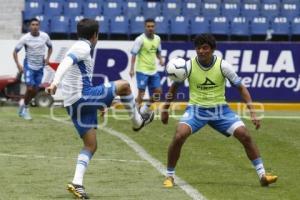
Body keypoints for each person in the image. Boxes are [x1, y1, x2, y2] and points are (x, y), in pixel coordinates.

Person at [45, 18, 154, 199]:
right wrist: (54, 82)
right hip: (83, 96)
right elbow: (66, 63)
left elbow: (80, 77)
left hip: (72, 103)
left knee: (91, 145)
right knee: (125, 85)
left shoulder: (79, 47)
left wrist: (101, 102)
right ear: (95, 35)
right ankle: (137, 121)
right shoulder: (83, 47)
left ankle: (77, 183)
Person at [161, 34, 278, 188]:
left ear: (212, 49)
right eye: (198, 48)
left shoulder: (223, 66)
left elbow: (241, 88)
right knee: (178, 136)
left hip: (220, 110)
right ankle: (169, 176)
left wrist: (253, 112)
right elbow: (174, 87)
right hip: (196, 110)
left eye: (205, 48)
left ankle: (263, 175)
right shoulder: (187, 66)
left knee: (245, 135)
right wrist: (165, 108)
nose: (201, 51)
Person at [13, 17, 53, 120]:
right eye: (33, 25)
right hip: (29, 66)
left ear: (39, 26)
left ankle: (22, 106)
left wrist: (48, 58)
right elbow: (15, 52)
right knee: (30, 88)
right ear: (30, 26)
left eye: (36, 25)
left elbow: (50, 47)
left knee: (35, 91)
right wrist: (18, 65)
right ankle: (26, 109)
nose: (35, 27)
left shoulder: (45, 36)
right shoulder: (25, 38)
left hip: (40, 67)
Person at [129, 18, 164, 115]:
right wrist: (132, 69)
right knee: (141, 93)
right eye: (148, 26)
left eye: (152, 26)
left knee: (158, 92)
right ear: (145, 27)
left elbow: (158, 51)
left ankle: (145, 107)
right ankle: (136, 111)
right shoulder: (140, 39)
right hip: (142, 70)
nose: (150, 28)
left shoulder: (157, 38)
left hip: (153, 71)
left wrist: (160, 59)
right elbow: (134, 54)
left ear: (155, 27)